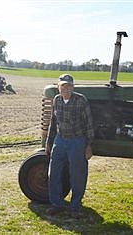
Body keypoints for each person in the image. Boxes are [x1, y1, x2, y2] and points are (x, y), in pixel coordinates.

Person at [45, 74, 94, 218]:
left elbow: (89, 124)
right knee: (54, 172)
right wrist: (49, 142)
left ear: (73, 86)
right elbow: (53, 123)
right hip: (59, 140)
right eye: (63, 85)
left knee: (77, 174)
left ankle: (75, 207)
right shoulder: (57, 100)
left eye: (69, 85)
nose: (66, 88)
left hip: (76, 141)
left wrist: (89, 145)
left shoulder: (81, 100)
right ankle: (57, 204)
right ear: (58, 87)